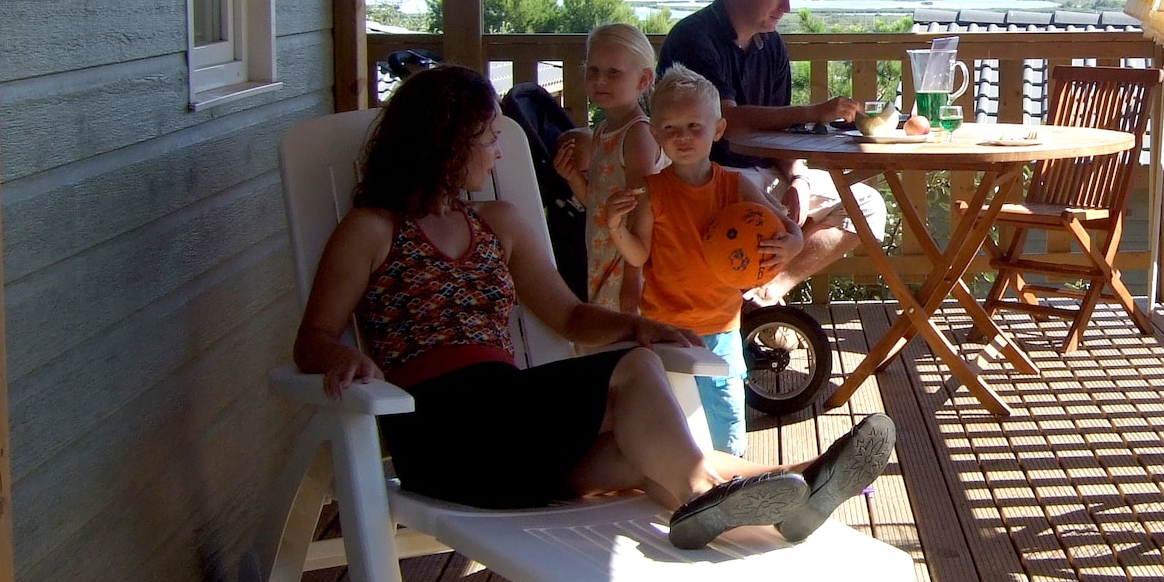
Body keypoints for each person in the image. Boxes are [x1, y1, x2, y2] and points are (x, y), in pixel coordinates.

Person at [291, 63, 893, 549]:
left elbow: (570, 316)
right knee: (636, 374)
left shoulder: (496, 224)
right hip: (443, 433)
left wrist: (640, 326)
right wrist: (341, 362)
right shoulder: (372, 231)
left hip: (515, 443)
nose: (497, 153)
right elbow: (313, 337)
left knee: (643, 454)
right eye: (487, 137)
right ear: (446, 143)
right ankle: (739, 491)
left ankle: (797, 485)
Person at [658, 0, 888, 303]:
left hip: (767, 171)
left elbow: (779, 132)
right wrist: (813, 112)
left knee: (867, 206)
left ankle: (769, 291)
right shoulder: (694, 38)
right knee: (774, 220)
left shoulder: (773, 47)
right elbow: (728, 122)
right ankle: (744, 308)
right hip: (711, 176)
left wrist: (797, 178)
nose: (787, 8)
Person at [603, 67, 802, 457]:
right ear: (656, 135)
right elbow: (639, 255)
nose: (683, 137)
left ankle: (729, 482)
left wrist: (792, 245)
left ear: (718, 128)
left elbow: (787, 225)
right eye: (671, 128)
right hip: (666, 328)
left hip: (721, 327)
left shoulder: (734, 185)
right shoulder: (653, 192)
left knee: (725, 421)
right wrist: (615, 227)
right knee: (672, 426)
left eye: (695, 126)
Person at [552, 22, 660, 316]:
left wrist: (632, 279)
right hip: (603, 254)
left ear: (643, 79)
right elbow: (597, 202)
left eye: (614, 73)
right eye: (593, 70)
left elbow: (642, 210)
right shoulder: (601, 131)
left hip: (626, 260)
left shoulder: (638, 134)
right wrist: (573, 177)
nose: (600, 81)